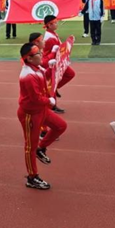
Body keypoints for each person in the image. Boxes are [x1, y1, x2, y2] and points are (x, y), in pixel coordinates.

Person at [18, 43, 67, 190]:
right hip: (30, 114)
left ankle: (42, 148)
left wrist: (50, 68)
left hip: (41, 110)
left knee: (60, 126)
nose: (41, 54)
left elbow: (42, 78)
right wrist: (49, 101)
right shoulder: (27, 76)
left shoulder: (36, 68)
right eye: (38, 53)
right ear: (29, 58)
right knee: (29, 147)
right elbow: (35, 98)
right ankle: (32, 177)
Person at [42, 15, 75, 95]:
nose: (57, 24)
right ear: (49, 25)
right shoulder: (50, 38)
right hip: (51, 62)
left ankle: (54, 88)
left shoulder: (52, 33)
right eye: (55, 23)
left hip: (55, 60)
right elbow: (59, 50)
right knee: (69, 74)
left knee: (69, 74)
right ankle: (51, 92)